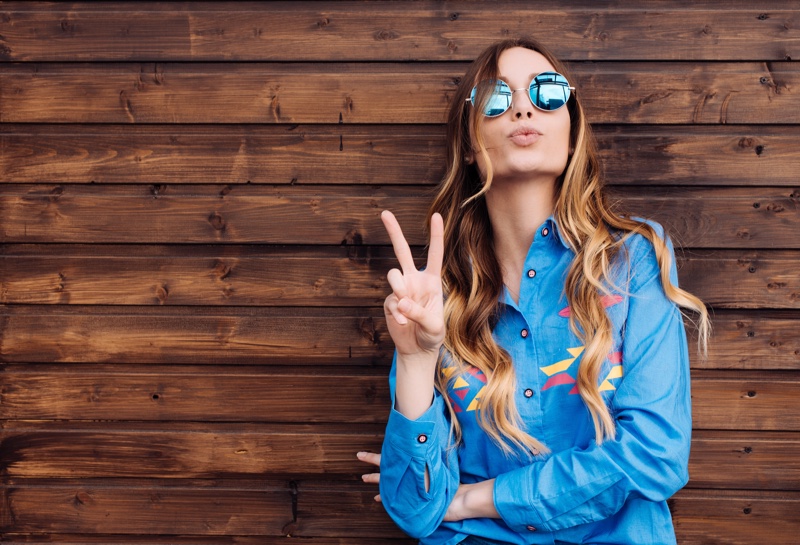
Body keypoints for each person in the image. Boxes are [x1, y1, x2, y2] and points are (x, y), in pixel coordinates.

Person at [357, 37, 709, 545]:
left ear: (571, 135)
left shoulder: (633, 261)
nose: (523, 106)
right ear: (472, 145)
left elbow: (656, 453)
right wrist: (415, 359)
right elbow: (415, 508)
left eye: (546, 91)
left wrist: (475, 498)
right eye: (497, 98)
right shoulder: (437, 297)